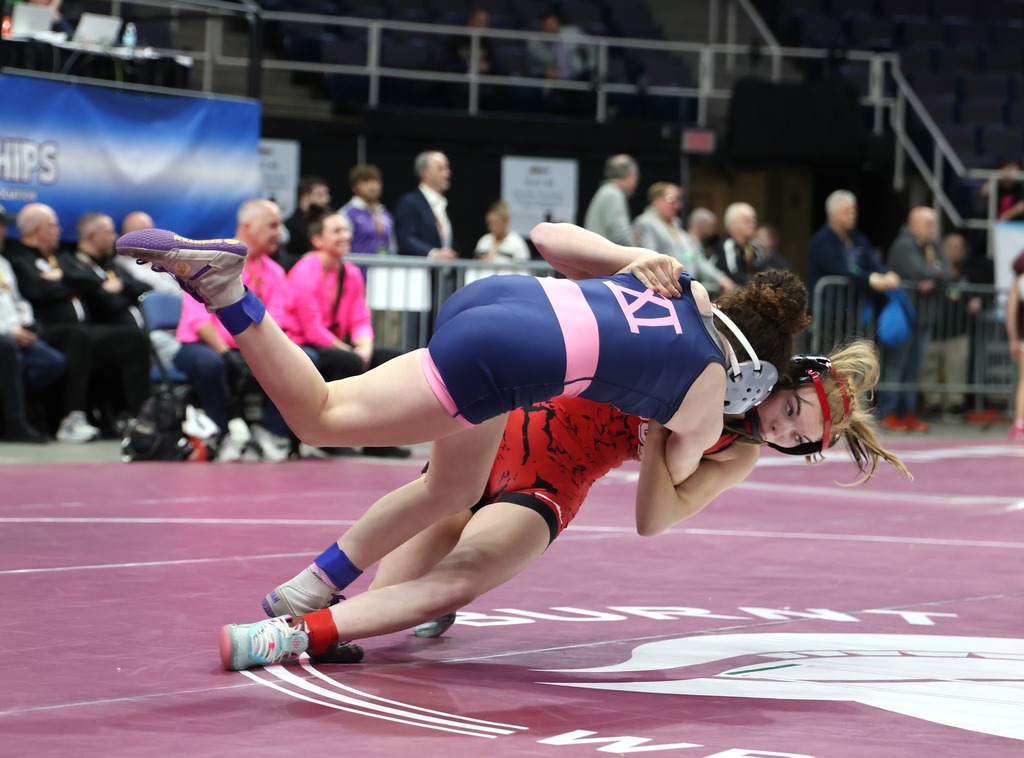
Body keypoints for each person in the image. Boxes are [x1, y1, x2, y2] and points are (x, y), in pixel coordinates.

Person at [117, 220, 811, 622]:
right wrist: (714, 431)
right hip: (508, 361)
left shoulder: (674, 278)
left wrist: (628, 256)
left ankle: (309, 587)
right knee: (319, 416)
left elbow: (544, 235)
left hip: (502, 300)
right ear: (754, 371)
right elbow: (668, 486)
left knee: (450, 488)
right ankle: (228, 290)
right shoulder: (711, 389)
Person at [219, 342, 911, 670]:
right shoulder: (716, 354)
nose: (783, 430)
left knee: (438, 587)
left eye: (801, 438)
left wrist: (660, 434)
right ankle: (316, 590)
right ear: (778, 378)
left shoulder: (738, 451)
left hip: (555, 479)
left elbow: (653, 520)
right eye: (790, 409)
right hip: (510, 426)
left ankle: (289, 635)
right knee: (435, 515)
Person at [7, 203, 149, 442]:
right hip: (48, 330)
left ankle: (140, 416)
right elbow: (38, 289)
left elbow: (86, 280)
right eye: (52, 226)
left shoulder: (58, 258)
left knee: (131, 339)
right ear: (37, 229)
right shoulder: (18, 257)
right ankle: (71, 418)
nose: (58, 230)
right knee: (77, 336)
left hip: (81, 330)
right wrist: (71, 283)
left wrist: (63, 278)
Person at [171, 199, 298, 462]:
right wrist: (226, 352)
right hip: (202, 345)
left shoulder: (274, 272)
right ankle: (222, 432)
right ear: (247, 227)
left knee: (296, 361)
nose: (279, 233)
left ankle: (269, 431)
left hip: (248, 347)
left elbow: (275, 319)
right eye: (272, 225)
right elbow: (199, 320)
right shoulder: (211, 262)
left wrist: (254, 352)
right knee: (212, 364)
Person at [286, 212, 410, 458]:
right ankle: (332, 438)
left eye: (346, 230)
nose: (346, 236)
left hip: (339, 344)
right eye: (337, 231)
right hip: (304, 345)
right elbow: (312, 330)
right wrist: (351, 352)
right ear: (317, 240)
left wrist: (365, 347)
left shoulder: (351, 273)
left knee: (395, 361)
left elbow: (360, 319)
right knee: (349, 361)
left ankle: (379, 442)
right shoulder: (304, 271)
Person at [877, 207, 950, 435]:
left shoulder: (934, 246)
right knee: (896, 366)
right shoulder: (903, 245)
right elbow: (917, 272)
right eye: (928, 224)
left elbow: (947, 272)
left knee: (914, 369)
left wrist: (934, 277)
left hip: (925, 319)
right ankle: (888, 413)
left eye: (934, 224)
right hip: (905, 318)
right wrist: (931, 274)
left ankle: (906, 411)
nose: (933, 229)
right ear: (913, 224)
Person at [393, 150, 460, 348]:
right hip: (419, 282)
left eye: (447, 168)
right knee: (417, 334)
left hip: (441, 282)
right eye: (441, 168)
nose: (447, 173)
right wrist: (433, 254)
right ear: (424, 173)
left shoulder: (442, 205)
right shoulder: (410, 202)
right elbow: (405, 239)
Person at [0, 248, 66, 443]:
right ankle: (14, 422)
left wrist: (26, 321)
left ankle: (8, 404)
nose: (2, 232)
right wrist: (9, 331)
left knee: (53, 362)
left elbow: (17, 299)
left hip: (16, 329)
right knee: (8, 353)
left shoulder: (3, 262)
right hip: (4, 335)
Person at [921, 231, 984, 422]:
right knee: (929, 369)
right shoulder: (932, 268)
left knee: (956, 369)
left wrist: (978, 302)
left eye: (959, 247)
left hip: (958, 330)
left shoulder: (969, 271)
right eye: (951, 246)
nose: (955, 251)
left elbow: (980, 294)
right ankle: (932, 405)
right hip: (933, 329)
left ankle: (955, 406)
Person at [806, 189, 900, 314]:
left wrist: (887, 273)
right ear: (832, 213)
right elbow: (839, 270)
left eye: (854, 210)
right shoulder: (821, 241)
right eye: (847, 211)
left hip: (853, 309)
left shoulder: (858, 239)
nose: (853, 215)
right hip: (828, 309)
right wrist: (871, 279)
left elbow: (872, 261)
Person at [633, 184, 732, 293]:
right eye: (672, 200)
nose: (678, 206)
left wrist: (719, 277)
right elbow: (648, 257)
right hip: (662, 290)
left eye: (679, 201)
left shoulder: (677, 227)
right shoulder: (644, 223)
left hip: (685, 287)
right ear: (657, 200)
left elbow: (697, 258)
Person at [339, 164, 396, 257]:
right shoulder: (346, 214)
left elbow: (393, 248)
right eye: (366, 181)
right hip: (357, 269)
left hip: (382, 269)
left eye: (376, 181)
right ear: (355, 187)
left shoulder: (386, 214)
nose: (373, 186)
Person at [583, 154, 639, 247]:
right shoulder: (613, 195)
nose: (636, 183)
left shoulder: (605, 191)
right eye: (636, 177)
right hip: (602, 258)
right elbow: (620, 236)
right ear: (630, 175)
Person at [282, 175, 332, 269]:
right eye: (320, 195)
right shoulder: (290, 225)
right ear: (304, 198)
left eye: (326, 194)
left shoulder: (326, 223)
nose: (327, 199)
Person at [710, 202, 761, 287]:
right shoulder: (726, 246)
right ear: (732, 225)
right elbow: (732, 274)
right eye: (747, 220)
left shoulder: (755, 247)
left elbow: (763, 269)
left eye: (754, 220)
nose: (753, 224)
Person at [1007, 249, 1024, 442]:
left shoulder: (1019, 281)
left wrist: (1013, 339)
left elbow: (1011, 314)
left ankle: (1019, 423)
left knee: (1023, 382)